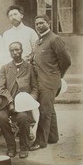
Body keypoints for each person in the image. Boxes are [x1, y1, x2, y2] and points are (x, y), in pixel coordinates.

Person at [0, 42, 38, 158]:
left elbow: (35, 88)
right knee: (1, 117)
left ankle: (24, 147)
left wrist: (30, 101)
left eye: (17, 50)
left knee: (23, 118)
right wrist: (10, 103)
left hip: (23, 104)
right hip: (7, 103)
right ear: (10, 53)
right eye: (12, 51)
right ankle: (11, 146)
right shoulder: (5, 68)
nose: (15, 53)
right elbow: (1, 88)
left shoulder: (29, 67)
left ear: (22, 51)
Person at [30, 15, 71, 151]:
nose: (39, 26)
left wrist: (57, 76)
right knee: (50, 109)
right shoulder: (39, 40)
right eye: (36, 24)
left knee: (44, 111)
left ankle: (40, 142)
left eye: (41, 23)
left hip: (50, 81)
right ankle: (53, 137)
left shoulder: (55, 39)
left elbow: (66, 61)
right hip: (40, 81)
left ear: (49, 23)